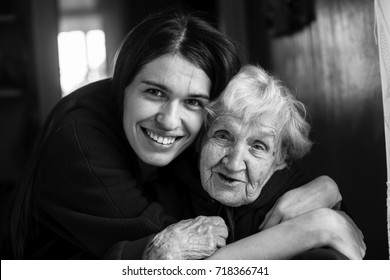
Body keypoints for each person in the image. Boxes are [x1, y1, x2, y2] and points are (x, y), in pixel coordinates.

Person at [0, 9, 344, 260]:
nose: (169, 120)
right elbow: (178, 260)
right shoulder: (80, 138)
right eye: (155, 93)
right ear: (123, 86)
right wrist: (318, 227)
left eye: (193, 101)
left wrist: (327, 188)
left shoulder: (206, 148)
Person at [194, 65, 365, 259]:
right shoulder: (163, 193)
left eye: (258, 146)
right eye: (223, 136)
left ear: (281, 156)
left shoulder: (306, 208)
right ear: (201, 138)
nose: (233, 164)